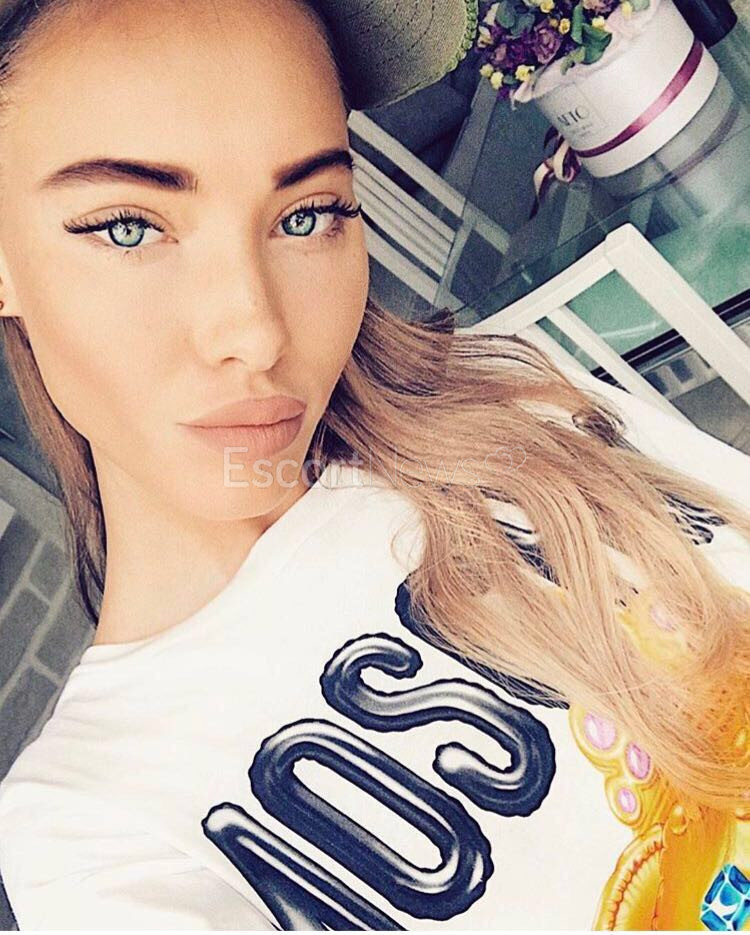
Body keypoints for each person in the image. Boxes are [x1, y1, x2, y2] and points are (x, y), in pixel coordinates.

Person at [0, 0, 747, 929]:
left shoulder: (516, 401)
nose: (256, 332)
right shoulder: (92, 833)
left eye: (308, 214)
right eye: (127, 227)